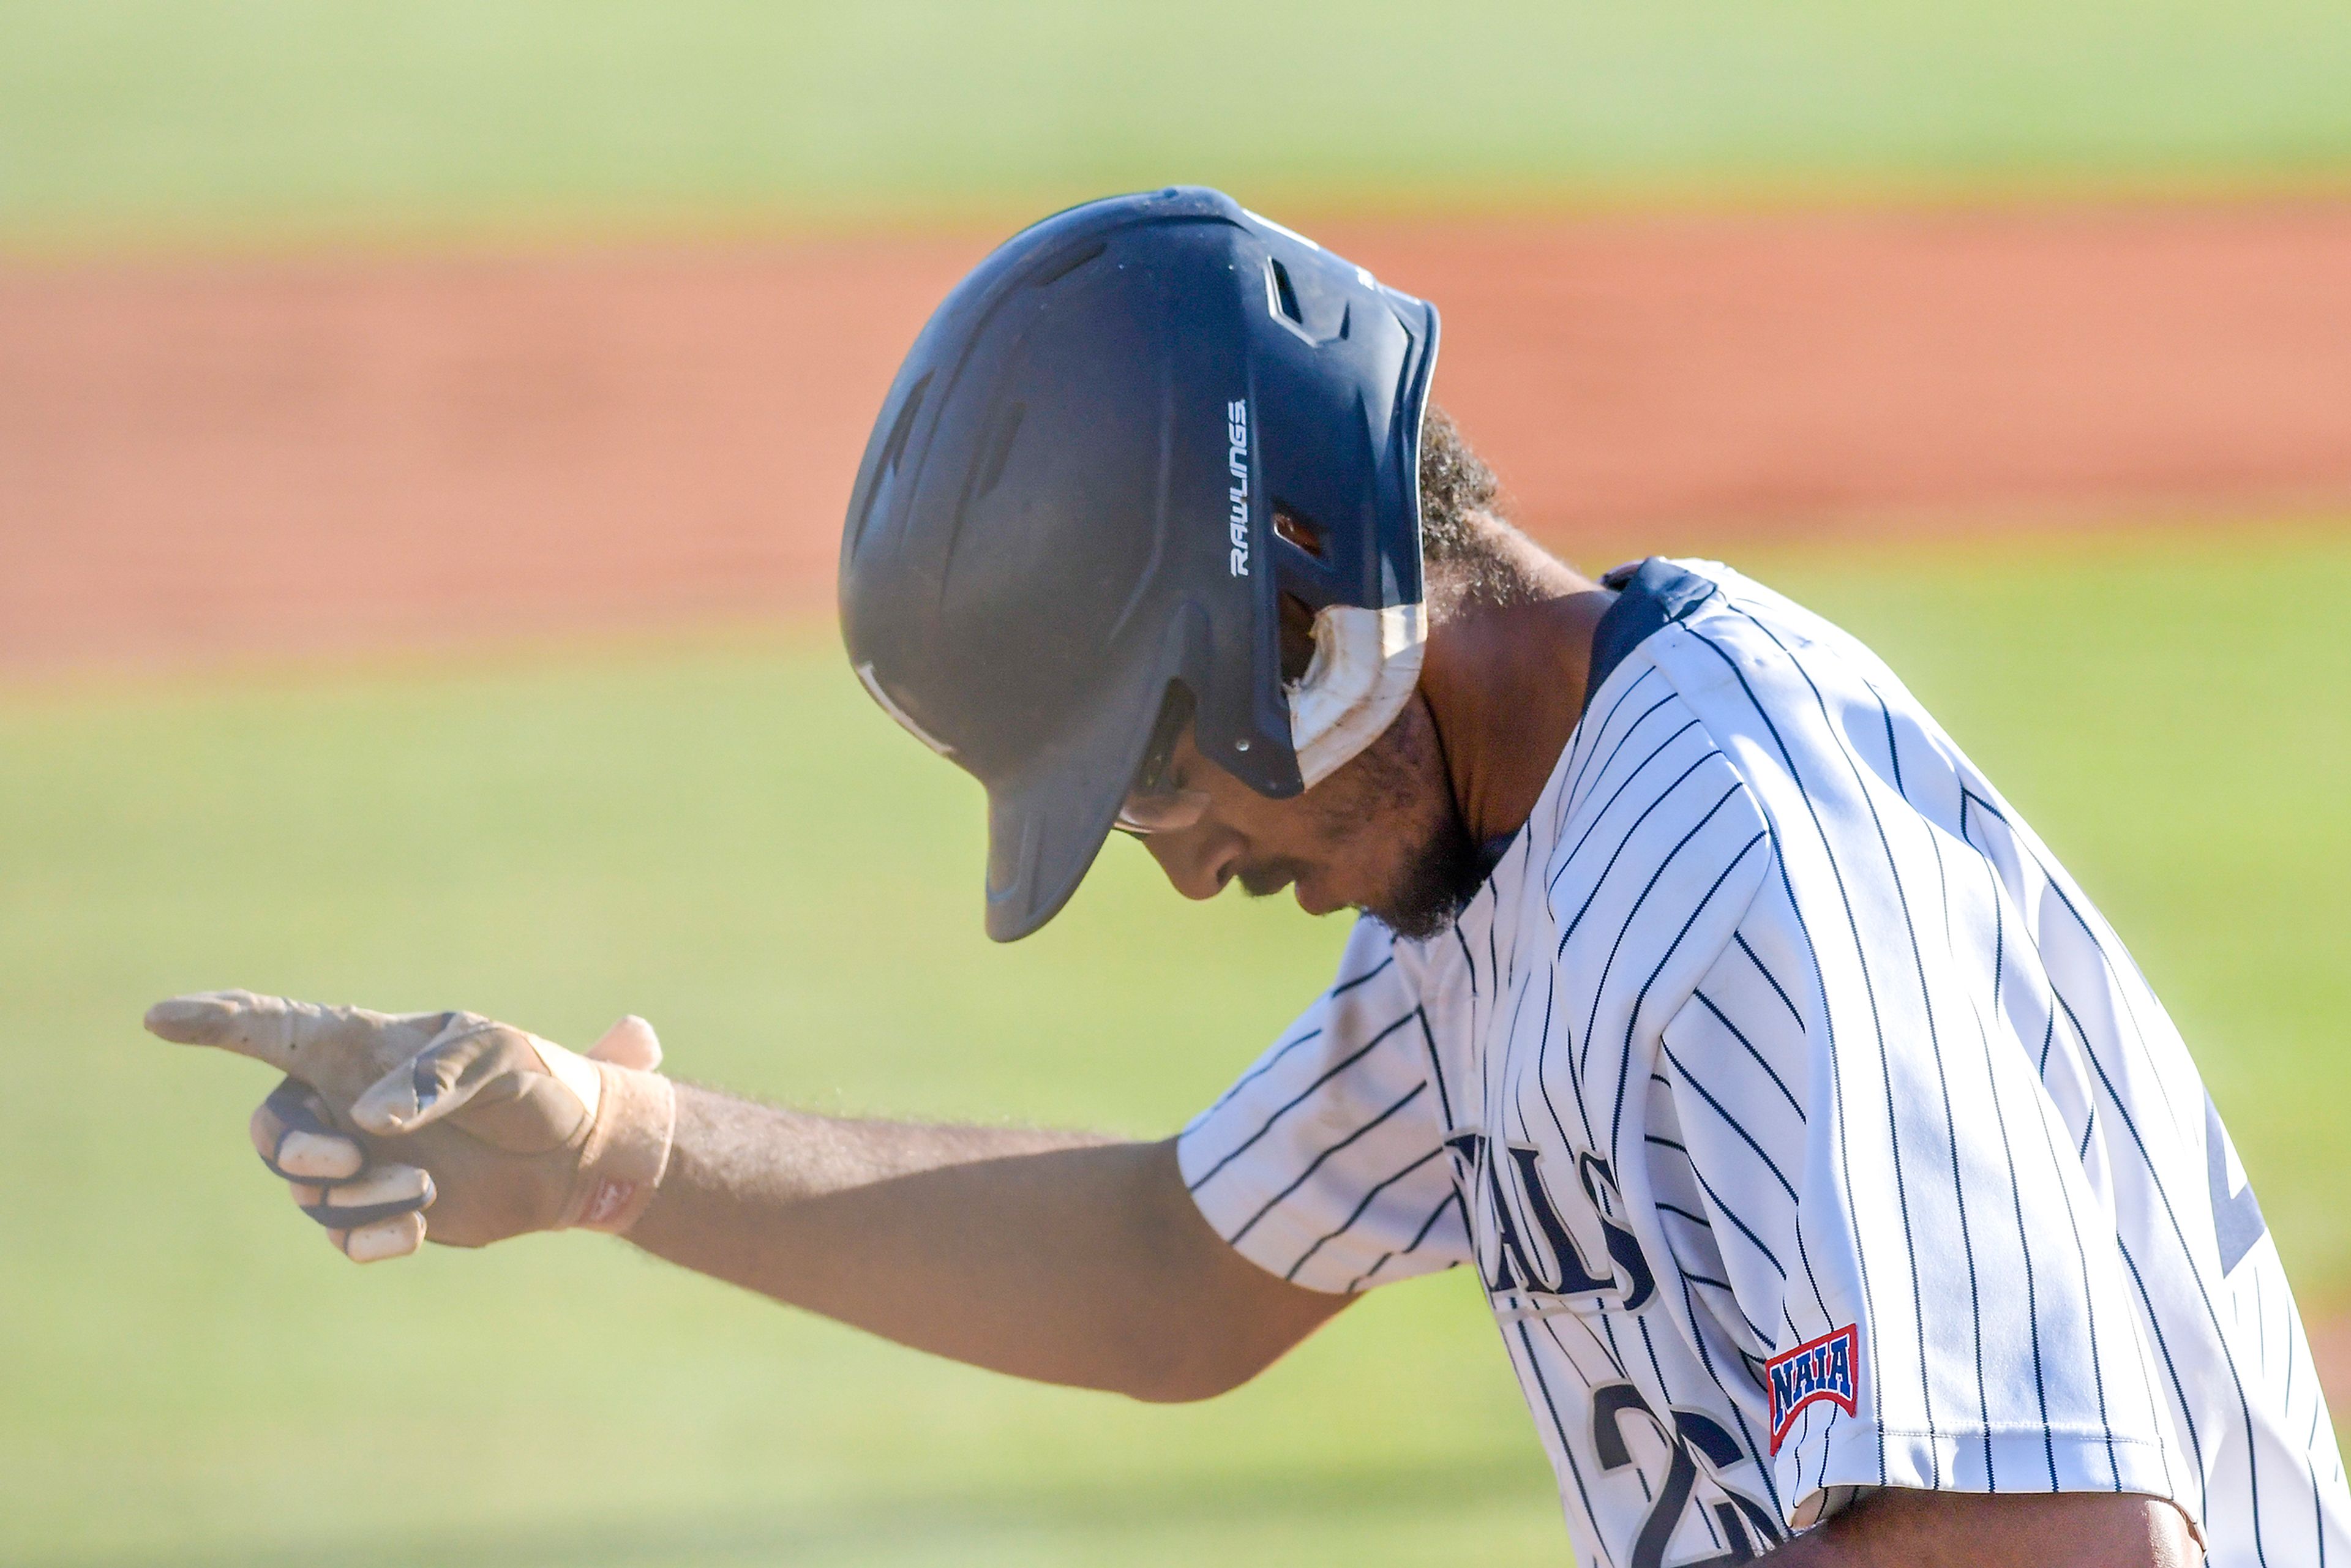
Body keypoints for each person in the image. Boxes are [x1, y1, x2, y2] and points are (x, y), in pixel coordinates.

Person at [148, 189, 2341, 1566]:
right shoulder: (1515, 874)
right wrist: (615, 1146)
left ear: (1314, 601)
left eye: (1162, 771)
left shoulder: (1743, 874)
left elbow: (2057, 1545)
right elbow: (1166, 1272)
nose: (1184, 869)